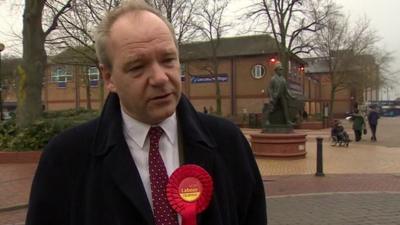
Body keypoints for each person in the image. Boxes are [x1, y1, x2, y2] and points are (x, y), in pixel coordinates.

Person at [25, 1, 267, 225]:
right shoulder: (66, 157)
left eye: (168, 60)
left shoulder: (228, 142)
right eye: (138, 67)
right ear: (109, 77)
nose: (160, 78)